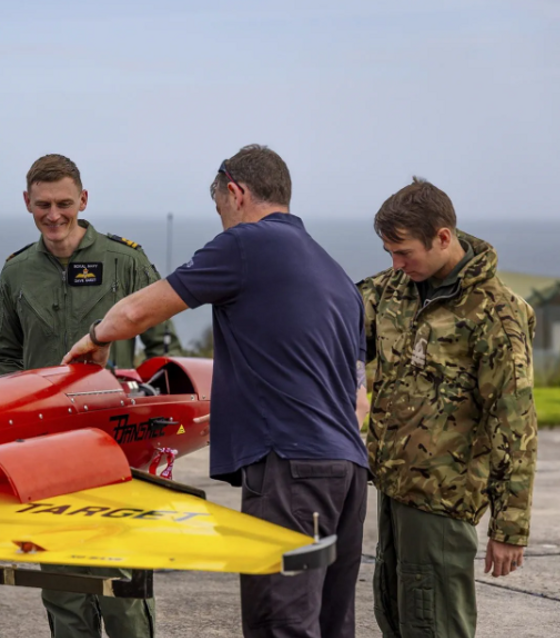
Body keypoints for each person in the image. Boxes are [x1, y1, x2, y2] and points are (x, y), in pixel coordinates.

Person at [64, 145, 370, 638]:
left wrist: (95, 338)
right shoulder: (337, 277)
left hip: (290, 468)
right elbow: (359, 400)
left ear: (236, 191)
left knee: (282, 624)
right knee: (332, 625)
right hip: (349, 472)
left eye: (221, 210)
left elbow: (138, 313)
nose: (224, 222)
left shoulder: (246, 244)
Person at [0, 154, 177, 638]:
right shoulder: (16, 273)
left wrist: (155, 431)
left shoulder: (126, 262)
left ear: (83, 200)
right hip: (45, 451)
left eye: (64, 204)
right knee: (64, 588)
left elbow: (160, 350)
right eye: (43, 205)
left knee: (124, 591)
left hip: (120, 447)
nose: (54, 215)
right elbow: (6, 358)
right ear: (27, 203)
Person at [358, 177, 538, 637]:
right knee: (393, 617)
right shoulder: (396, 290)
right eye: (389, 254)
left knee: (433, 627)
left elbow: (514, 422)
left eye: (404, 253)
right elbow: (335, 315)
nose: (396, 265)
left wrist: (509, 527)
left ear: (443, 237)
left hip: (442, 502)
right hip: (395, 492)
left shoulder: (494, 313)